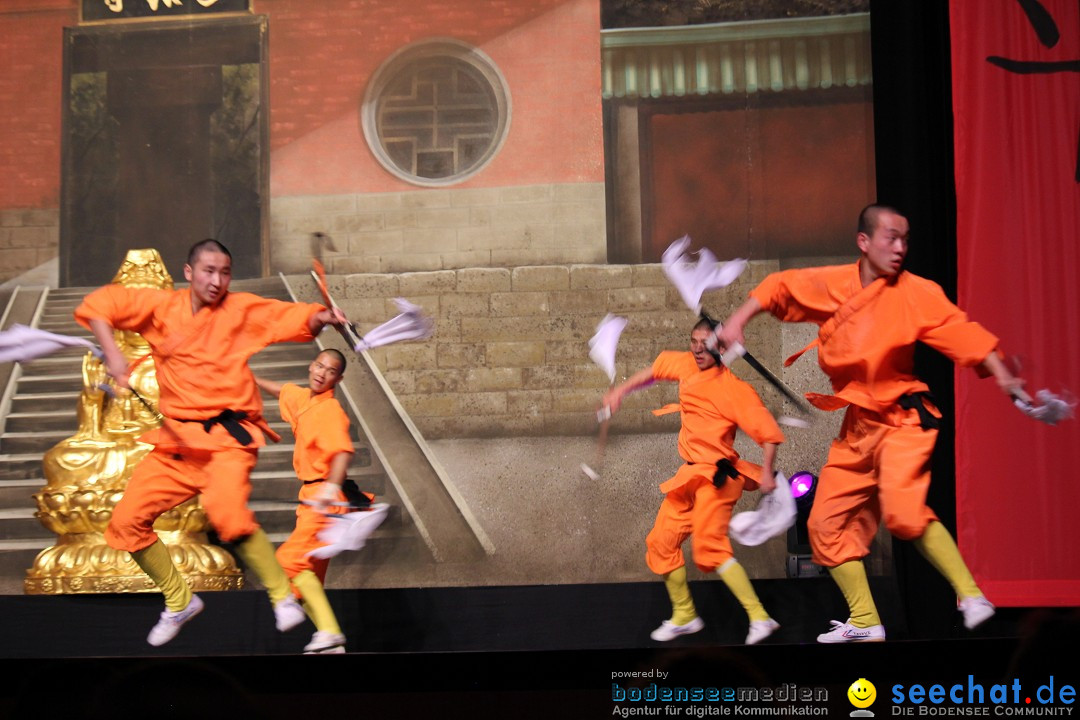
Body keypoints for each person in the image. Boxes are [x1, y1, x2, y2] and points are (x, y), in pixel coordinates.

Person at [716, 204, 1024, 642]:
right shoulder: (834, 284)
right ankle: (865, 621)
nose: (900, 248)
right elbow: (776, 287)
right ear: (864, 242)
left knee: (903, 514)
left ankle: (972, 596)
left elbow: (964, 333)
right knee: (824, 525)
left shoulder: (917, 292)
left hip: (902, 419)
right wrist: (737, 321)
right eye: (890, 238)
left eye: (905, 239)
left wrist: (1006, 375)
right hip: (859, 425)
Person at [75, 238, 346, 646]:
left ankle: (281, 598)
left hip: (227, 440)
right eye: (208, 271)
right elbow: (98, 305)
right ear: (188, 273)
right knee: (125, 523)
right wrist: (113, 354)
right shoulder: (159, 306)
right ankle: (179, 599)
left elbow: (289, 317)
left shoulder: (239, 310)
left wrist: (323, 315)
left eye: (225, 273)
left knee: (226, 513)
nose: (217, 281)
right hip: (178, 444)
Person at [602, 318, 785, 645]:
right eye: (693, 342)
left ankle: (760, 617)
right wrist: (619, 391)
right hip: (690, 476)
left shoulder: (735, 390)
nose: (698, 349)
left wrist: (769, 471)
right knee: (661, 542)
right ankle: (685, 615)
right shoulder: (686, 364)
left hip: (717, 478)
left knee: (708, 549)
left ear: (723, 348)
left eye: (706, 344)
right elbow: (655, 371)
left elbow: (768, 434)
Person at [254, 348, 370, 655]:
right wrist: (250, 378)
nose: (322, 373)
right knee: (305, 582)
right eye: (320, 366)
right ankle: (330, 641)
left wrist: (331, 488)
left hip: (325, 500)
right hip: (311, 498)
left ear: (338, 378)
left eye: (330, 371)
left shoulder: (330, 410)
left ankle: (330, 632)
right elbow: (283, 390)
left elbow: (343, 452)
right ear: (311, 365)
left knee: (287, 561)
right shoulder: (303, 399)